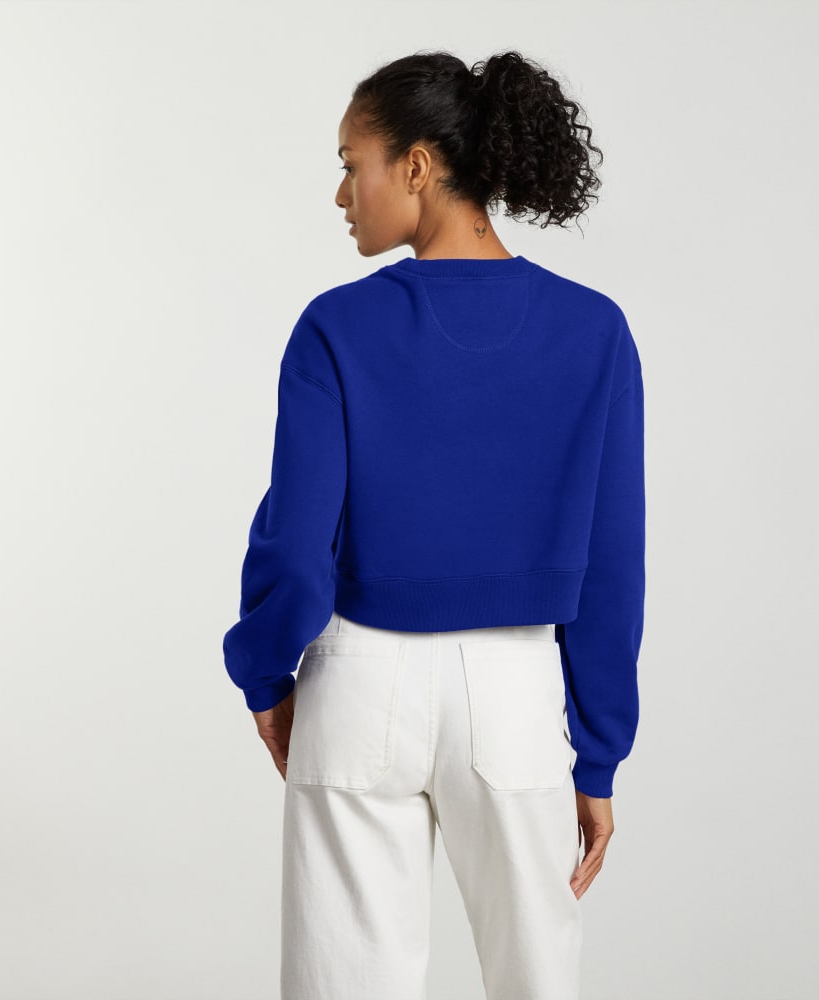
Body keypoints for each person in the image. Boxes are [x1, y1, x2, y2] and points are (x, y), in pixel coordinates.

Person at [222, 49, 646, 1000]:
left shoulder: (336, 328)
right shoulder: (595, 330)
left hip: (357, 681)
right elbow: (613, 566)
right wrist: (600, 754)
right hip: (516, 695)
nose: (342, 194)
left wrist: (264, 673)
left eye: (352, 164)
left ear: (416, 165)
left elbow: (297, 545)